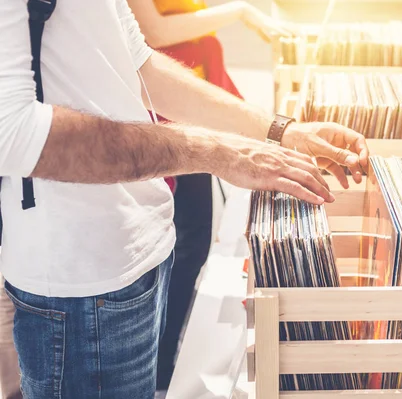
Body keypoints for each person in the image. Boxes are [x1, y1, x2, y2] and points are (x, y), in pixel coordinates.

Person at [0, 1, 367, 398]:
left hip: (137, 256)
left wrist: (279, 130)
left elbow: (137, 62)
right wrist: (218, 151)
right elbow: (16, 134)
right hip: (80, 286)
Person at [127, 0, 294, 391]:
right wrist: (240, 12)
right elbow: (156, 34)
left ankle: (164, 355)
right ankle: (159, 360)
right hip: (161, 113)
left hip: (189, 103)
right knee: (172, 240)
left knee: (194, 237)